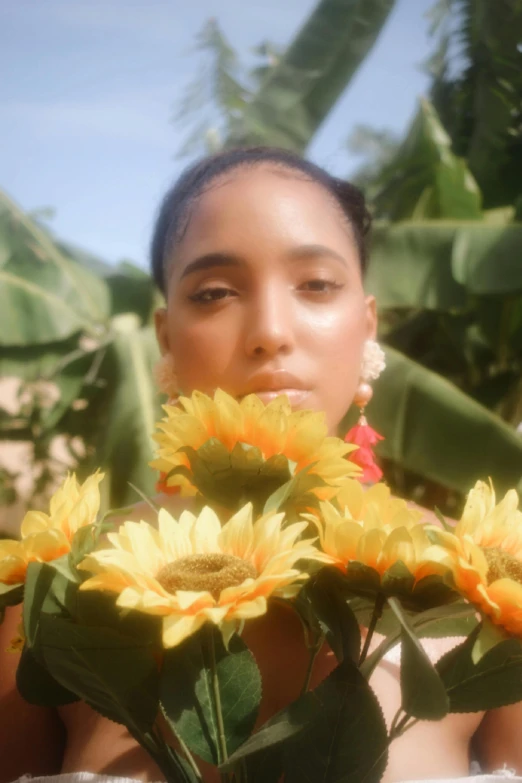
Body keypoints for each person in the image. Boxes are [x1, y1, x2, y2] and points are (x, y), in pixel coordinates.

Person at [1, 147, 521, 783]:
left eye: (317, 285)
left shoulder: (494, 600)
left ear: (366, 325)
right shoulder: (56, 602)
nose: (270, 331)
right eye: (216, 292)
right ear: (166, 337)